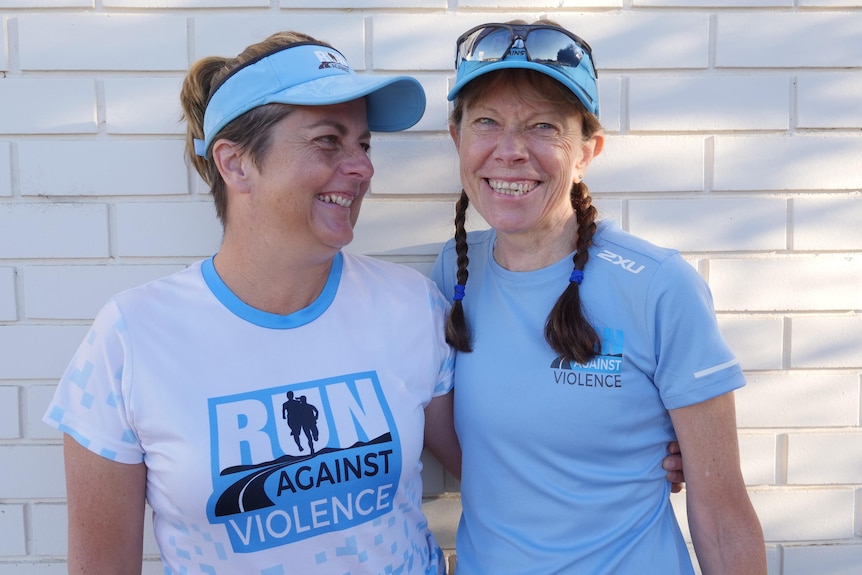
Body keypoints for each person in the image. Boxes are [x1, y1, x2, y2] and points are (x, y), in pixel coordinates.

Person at [42, 31, 458, 574]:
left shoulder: (410, 306)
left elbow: (492, 476)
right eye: (329, 140)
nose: (363, 168)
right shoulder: (131, 338)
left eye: (363, 143)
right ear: (235, 164)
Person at [430, 20, 766, 574]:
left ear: (588, 150)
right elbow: (483, 454)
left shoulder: (657, 285)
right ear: (457, 137)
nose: (510, 151)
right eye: (486, 122)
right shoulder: (454, 273)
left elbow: (723, 516)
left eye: (543, 126)